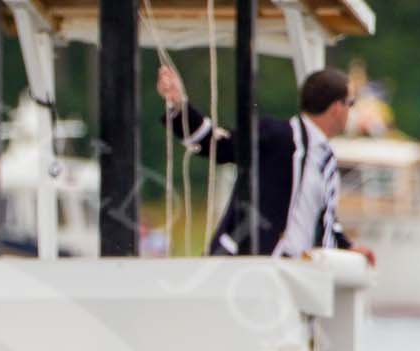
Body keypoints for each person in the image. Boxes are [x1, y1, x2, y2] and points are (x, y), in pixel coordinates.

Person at [154, 64, 375, 265]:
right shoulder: (279, 136)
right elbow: (219, 146)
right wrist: (179, 107)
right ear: (336, 107)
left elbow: (324, 216)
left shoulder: (325, 156)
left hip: (303, 274)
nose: (351, 111)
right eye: (351, 103)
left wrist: (349, 247)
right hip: (259, 269)